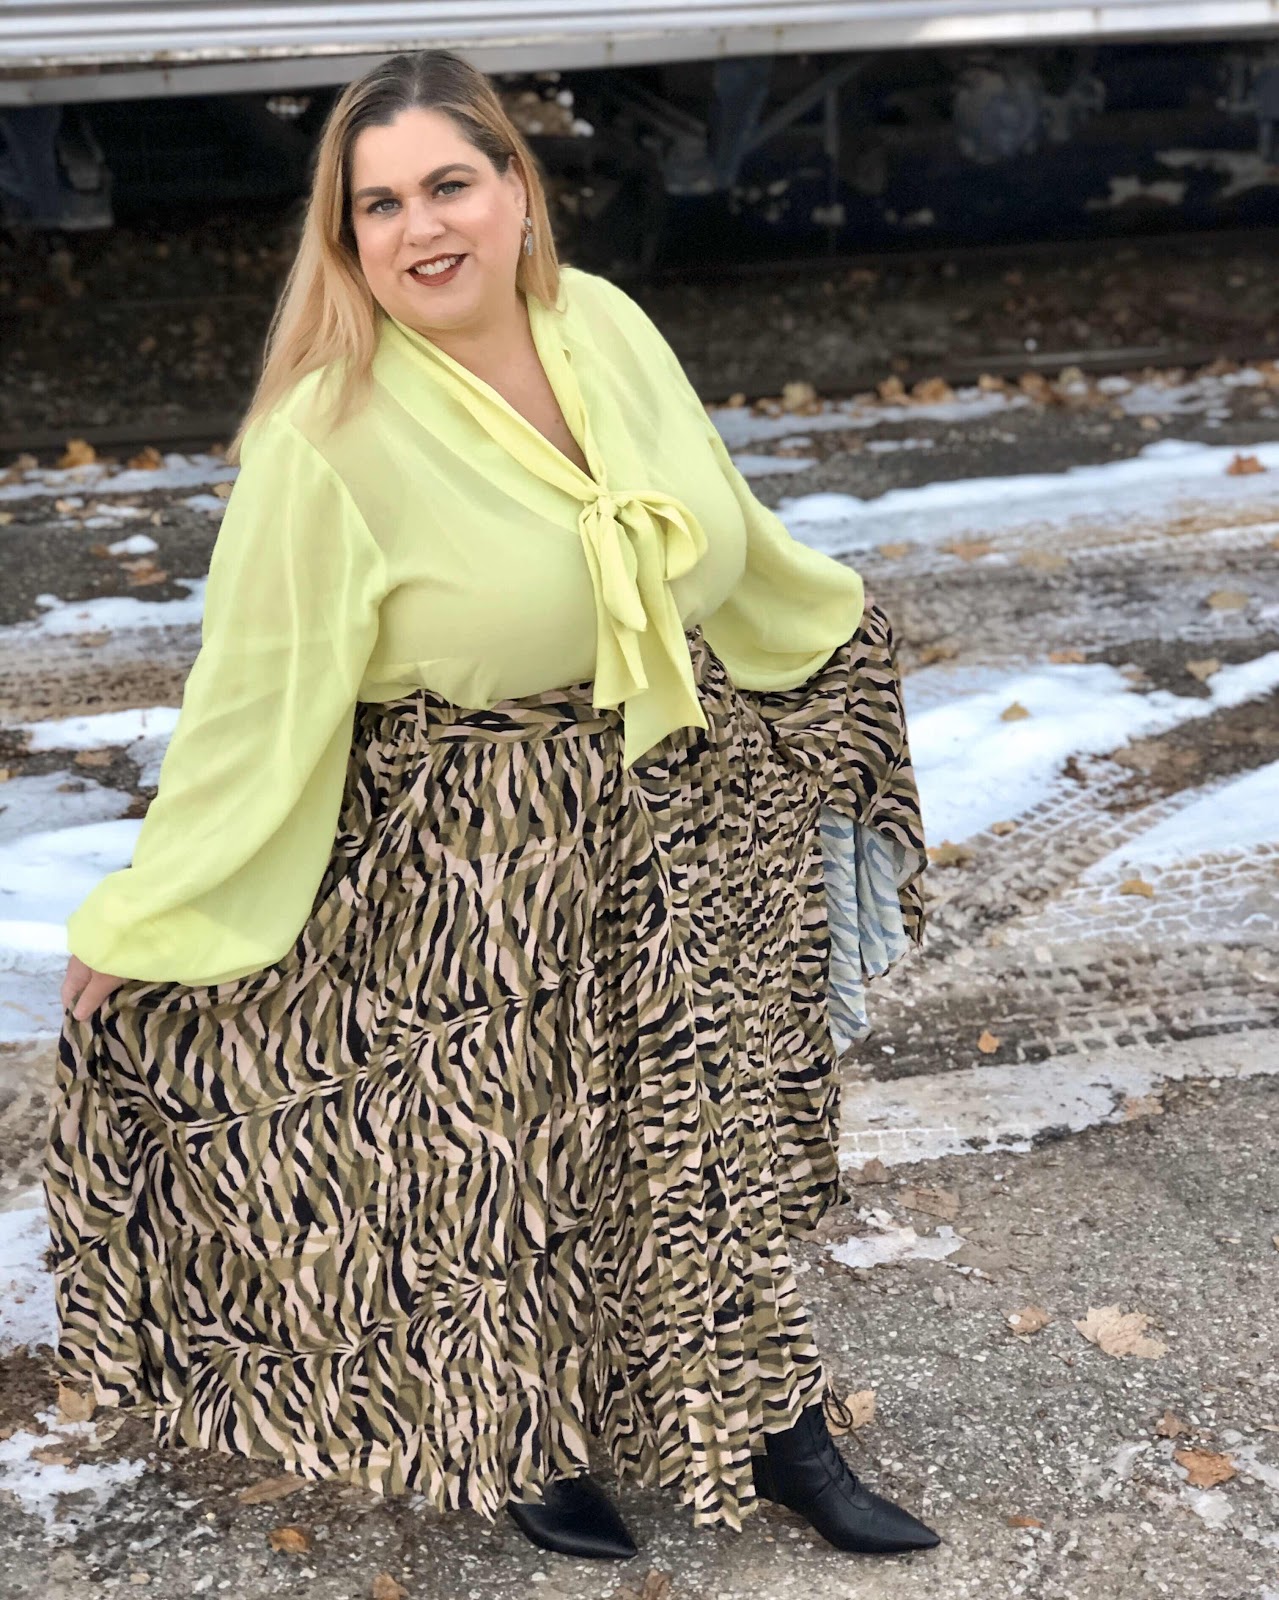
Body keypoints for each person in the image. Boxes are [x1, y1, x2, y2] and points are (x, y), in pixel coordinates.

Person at [49, 48, 938, 1563]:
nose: (422, 228)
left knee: (701, 1135)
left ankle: (776, 1427)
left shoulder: (605, 323)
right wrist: (155, 913)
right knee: (504, 1165)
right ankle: (525, 1438)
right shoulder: (325, 435)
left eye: (449, 184)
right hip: (475, 849)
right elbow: (253, 700)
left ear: (517, 189)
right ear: (347, 239)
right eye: (379, 204)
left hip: (686, 803)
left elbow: (725, 523)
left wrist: (829, 641)